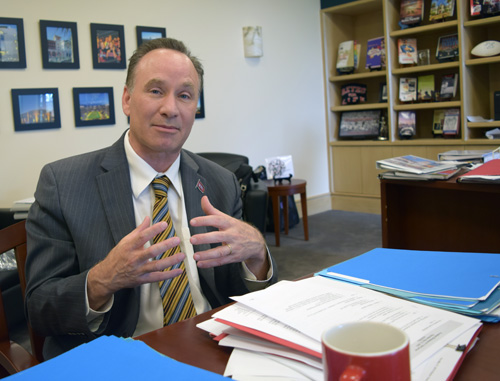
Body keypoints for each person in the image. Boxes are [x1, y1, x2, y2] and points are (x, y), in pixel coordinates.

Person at [25, 37, 278, 360]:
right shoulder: (63, 183)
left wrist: (257, 254)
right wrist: (103, 279)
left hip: (211, 347)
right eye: (156, 91)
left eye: (184, 96)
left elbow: (243, 295)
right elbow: (40, 307)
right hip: (118, 356)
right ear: (127, 100)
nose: (170, 108)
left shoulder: (220, 182)